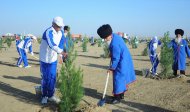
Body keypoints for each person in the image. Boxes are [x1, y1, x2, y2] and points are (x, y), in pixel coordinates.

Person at [97, 24, 136, 104]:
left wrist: (111, 68)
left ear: (109, 35)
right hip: (125, 59)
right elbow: (117, 52)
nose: (104, 40)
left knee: (118, 79)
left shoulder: (114, 43)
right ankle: (120, 95)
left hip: (122, 62)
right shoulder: (115, 36)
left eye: (105, 38)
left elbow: (116, 58)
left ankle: (117, 98)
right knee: (121, 79)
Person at [40, 16, 67, 104]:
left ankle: (51, 95)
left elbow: (61, 43)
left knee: (52, 78)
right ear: (53, 24)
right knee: (45, 78)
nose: (59, 28)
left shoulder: (61, 32)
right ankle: (44, 96)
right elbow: (51, 44)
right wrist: (61, 52)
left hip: (53, 59)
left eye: (60, 26)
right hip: (45, 59)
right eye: (58, 26)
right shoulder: (48, 32)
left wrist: (60, 56)